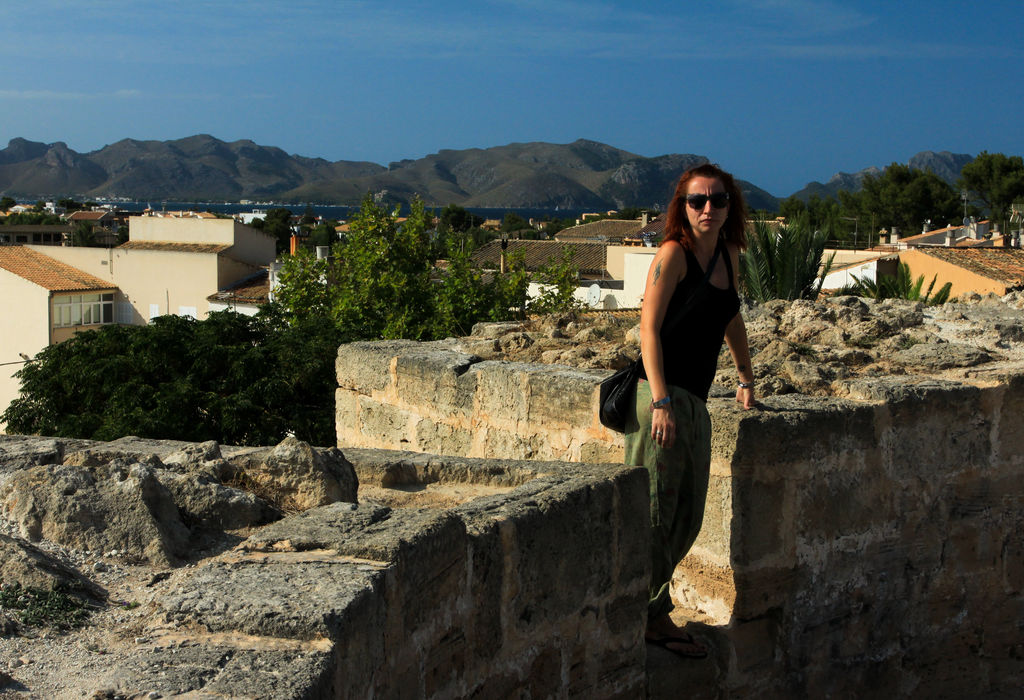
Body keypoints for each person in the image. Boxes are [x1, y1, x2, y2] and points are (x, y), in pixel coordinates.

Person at [627, 163, 755, 659]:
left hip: (695, 401)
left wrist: (746, 376)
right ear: (681, 206)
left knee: (688, 515)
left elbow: (731, 317)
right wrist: (660, 400)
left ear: (730, 206)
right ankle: (650, 617)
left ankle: (646, 610)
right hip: (657, 398)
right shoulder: (672, 255)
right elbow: (648, 330)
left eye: (718, 200)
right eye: (697, 200)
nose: (708, 208)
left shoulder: (728, 255)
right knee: (657, 512)